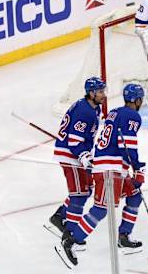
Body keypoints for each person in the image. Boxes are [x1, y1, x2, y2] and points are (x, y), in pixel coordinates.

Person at [55, 84, 146, 267]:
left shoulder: (114, 112)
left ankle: (124, 236)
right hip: (109, 170)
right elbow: (128, 146)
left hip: (109, 166)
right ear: (137, 100)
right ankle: (71, 240)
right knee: (101, 209)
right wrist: (138, 168)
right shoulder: (133, 116)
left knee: (135, 196)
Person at [47, 77, 106, 245]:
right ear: (92, 93)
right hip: (70, 155)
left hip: (77, 154)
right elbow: (74, 141)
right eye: (101, 91)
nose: (104, 94)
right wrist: (84, 156)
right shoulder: (84, 111)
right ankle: (70, 233)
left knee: (86, 190)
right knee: (79, 194)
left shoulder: (93, 108)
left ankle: (60, 216)